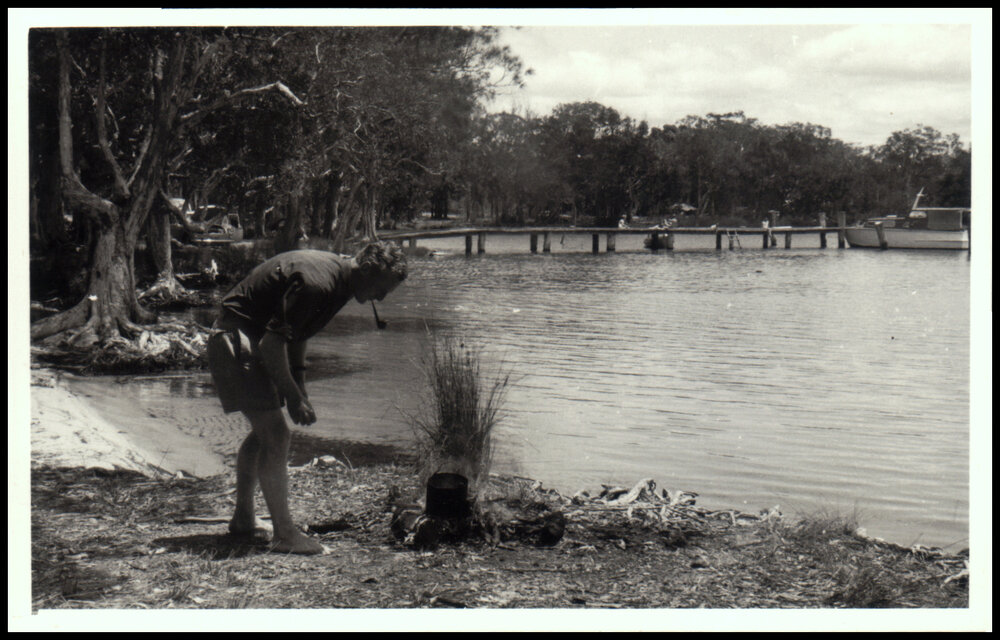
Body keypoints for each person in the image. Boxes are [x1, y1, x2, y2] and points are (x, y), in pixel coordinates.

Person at [206, 242, 408, 554]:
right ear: (366, 270)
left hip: (250, 337)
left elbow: (296, 333)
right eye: (381, 289)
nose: (380, 299)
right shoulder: (319, 284)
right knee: (276, 435)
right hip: (237, 339)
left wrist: (299, 386)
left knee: (264, 434)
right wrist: (293, 397)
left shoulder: (340, 280)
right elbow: (273, 345)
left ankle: (244, 518)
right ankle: (285, 534)